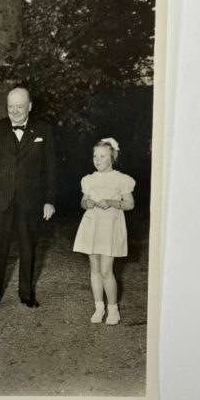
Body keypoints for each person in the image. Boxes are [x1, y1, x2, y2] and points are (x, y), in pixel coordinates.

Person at [0, 86, 56, 311]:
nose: (15, 111)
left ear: (30, 106)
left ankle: (27, 294)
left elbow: (51, 168)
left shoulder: (43, 130)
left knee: (28, 248)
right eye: (11, 107)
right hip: (0, 199)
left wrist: (49, 200)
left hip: (31, 200)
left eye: (20, 106)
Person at [73, 138, 135, 325]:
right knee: (95, 268)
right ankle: (99, 307)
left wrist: (111, 202)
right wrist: (87, 203)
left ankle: (113, 309)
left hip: (109, 226)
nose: (97, 159)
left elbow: (130, 204)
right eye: (95, 156)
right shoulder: (89, 179)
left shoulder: (121, 180)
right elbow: (83, 202)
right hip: (92, 224)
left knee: (106, 270)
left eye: (102, 156)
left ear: (112, 158)